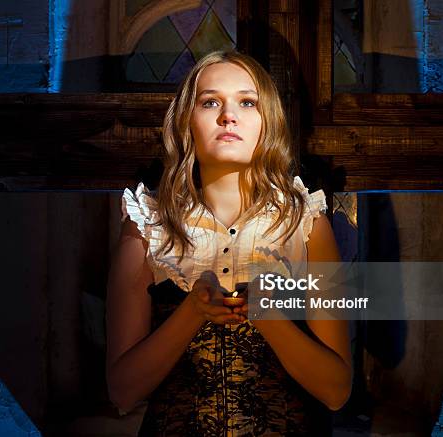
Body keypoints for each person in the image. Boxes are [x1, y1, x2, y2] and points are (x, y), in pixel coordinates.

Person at [106, 50, 352, 436]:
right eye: (210, 102)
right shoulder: (147, 225)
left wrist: (269, 318)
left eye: (247, 101)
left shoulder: (306, 223)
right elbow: (121, 392)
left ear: (266, 122)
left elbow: (337, 391)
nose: (228, 115)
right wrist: (190, 313)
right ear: (187, 121)